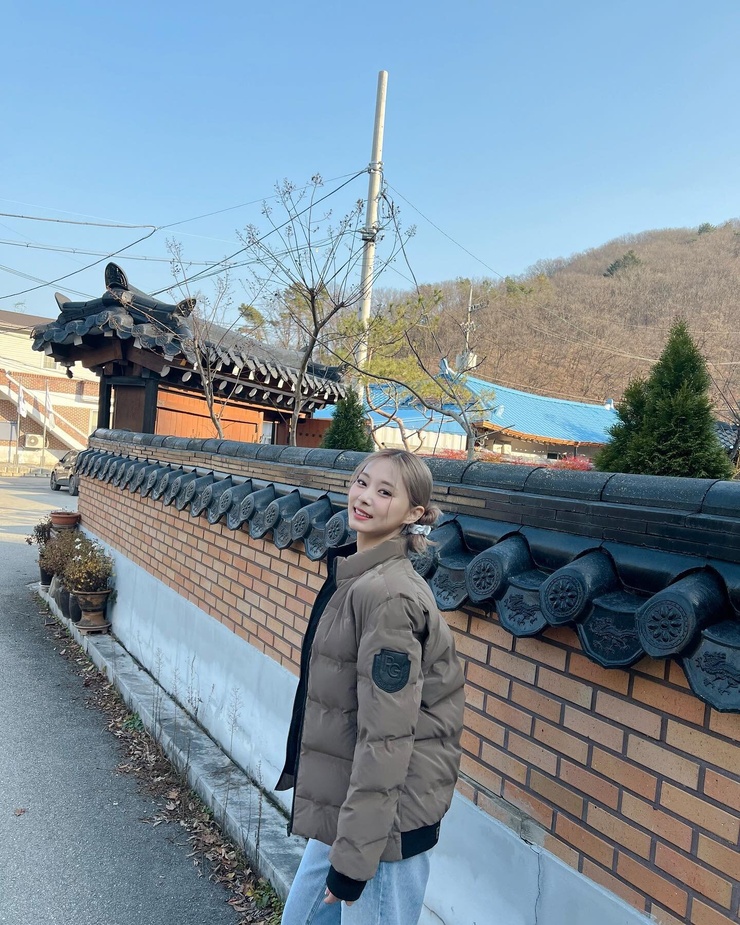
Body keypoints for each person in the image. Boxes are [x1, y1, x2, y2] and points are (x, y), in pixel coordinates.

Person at [277, 449, 465, 925]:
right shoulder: (359, 575)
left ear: (413, 513)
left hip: (386, 827)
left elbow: (387, 738)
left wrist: (354, 862)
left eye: (385, 492)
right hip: (353, 809)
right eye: (362, 482)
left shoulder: (389, 597)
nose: (364, 497)